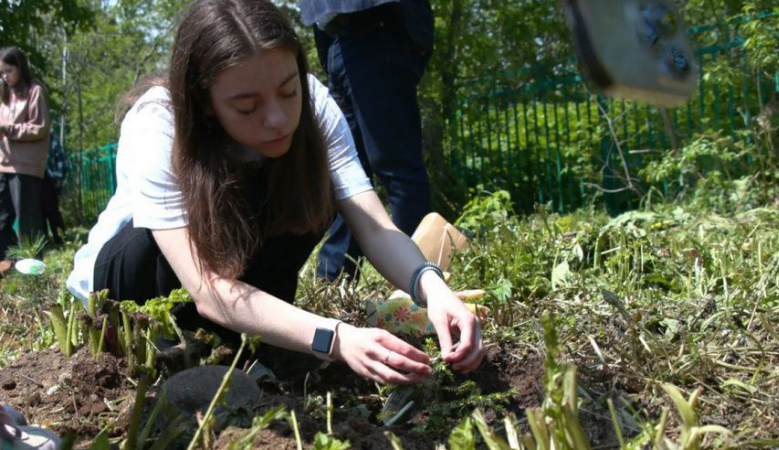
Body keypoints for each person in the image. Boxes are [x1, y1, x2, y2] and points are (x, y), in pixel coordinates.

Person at [66, 0, 484, 385]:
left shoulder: (316, 106)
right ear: (205, 101)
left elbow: (374, 228)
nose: (277, 118)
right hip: (136, 284)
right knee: (148, 246)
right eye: (247, 107)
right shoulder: (159, 122)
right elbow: (207, 287)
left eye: (289, 91)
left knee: (311, 188)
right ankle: (184, 350)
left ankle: (250, 343)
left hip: (232, 283)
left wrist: (434, 289)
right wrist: (335, 338)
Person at [300, 0, 435, 281]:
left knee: (395, 164)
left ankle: (419, 281)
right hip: (338, 40)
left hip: (378, 29)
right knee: (345, 170)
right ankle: (334, 277)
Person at [0, 47, 50, 268]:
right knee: (1, 219)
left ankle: (32, 270)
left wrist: (8, 129)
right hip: (3, 163)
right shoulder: (5, 94)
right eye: (1, 72)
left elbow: (40, 127)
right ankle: (8, 262)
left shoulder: (35, 91)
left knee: (28, 222)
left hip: (26, 168)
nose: (5, 76)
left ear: (20, 67)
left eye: (8, 71)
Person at [42, 133, 67, 245]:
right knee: (38, 213)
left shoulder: (50, 138)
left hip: (50, 179)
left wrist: (58, 178)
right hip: (36, 178)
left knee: (52, 211)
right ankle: (44, 240)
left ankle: (60, 238)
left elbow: (61, 159)